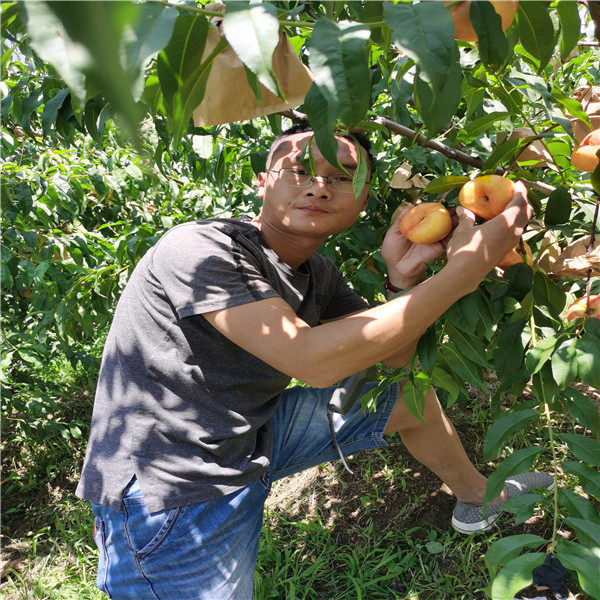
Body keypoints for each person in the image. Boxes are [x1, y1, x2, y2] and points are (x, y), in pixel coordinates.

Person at [76, 125, 553, 599]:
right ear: (263, 182)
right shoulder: (199, 249)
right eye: (300, 169)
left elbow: (391, 362)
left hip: (247, 437)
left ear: (364, 199)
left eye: (343, 176)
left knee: (403, 395)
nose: (319, 185)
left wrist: (402, 279)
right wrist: (461, 274)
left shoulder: (317, 273)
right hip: (176, 486)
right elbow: (313, 361)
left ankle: (478, 500)